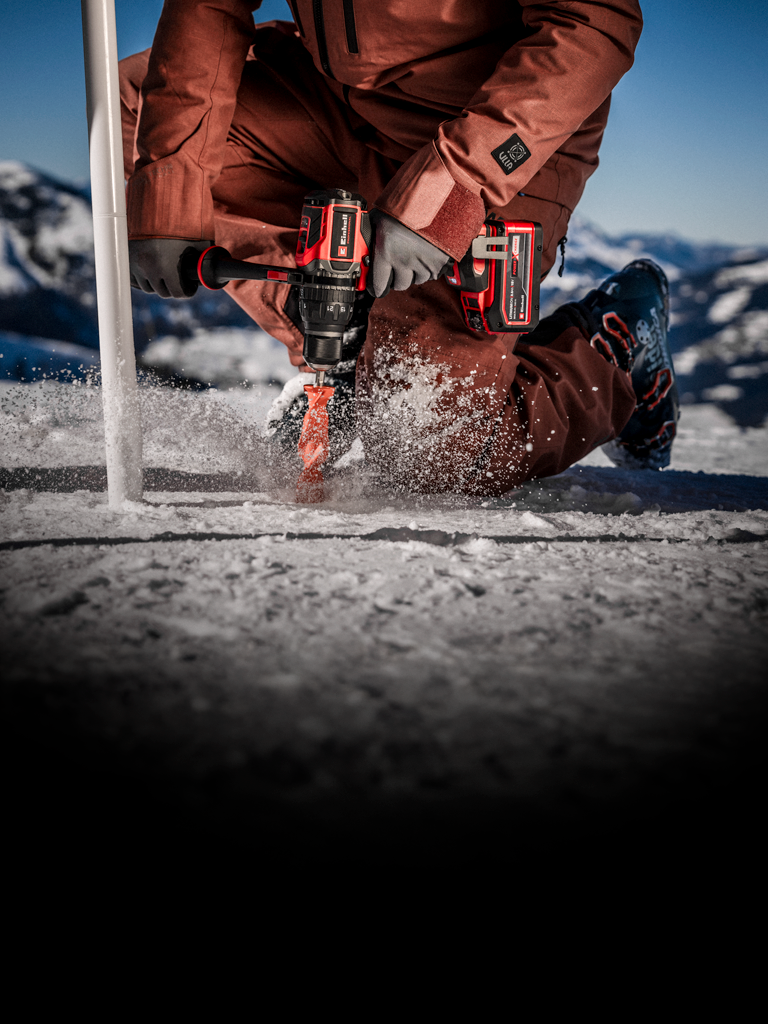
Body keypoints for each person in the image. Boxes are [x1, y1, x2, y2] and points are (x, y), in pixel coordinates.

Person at [121, 0, 678, 493]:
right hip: (335, 100)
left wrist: (456, 184)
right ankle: (340, 355)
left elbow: (594, 22)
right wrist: (168, 182)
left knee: (428, 457)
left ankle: (618, 343)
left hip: (500, 132)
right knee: (136, 106)